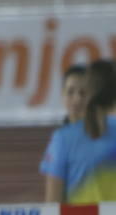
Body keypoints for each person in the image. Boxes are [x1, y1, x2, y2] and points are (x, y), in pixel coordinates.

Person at [43, 60, 116, 204]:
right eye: (70, 92)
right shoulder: (63, 138)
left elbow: (52, 205)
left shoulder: (63, 139)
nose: (77, 99)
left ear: (90, 95)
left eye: (82, 93)